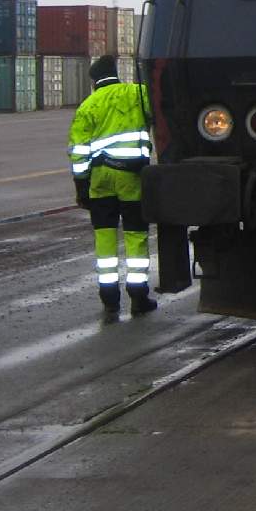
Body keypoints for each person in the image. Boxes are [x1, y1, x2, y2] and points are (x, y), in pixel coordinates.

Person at [68, 56, 156, 320]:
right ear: (116, 74)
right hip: (131, 177)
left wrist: (81, 188)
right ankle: (138, 297)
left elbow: (79, 152)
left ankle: (109, 302)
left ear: (93, 81)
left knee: (105, 239)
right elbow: (159, 114)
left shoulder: (88, 105)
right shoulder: (137, 93)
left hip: (100, 179)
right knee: (135, 236)